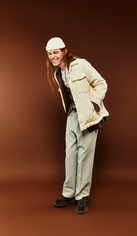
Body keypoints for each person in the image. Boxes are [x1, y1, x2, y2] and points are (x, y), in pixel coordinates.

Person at [45, 37, 109, 214]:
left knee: (85, 156)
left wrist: (93, 104)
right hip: (72, 116)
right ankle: (69, 193)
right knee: (70, 155)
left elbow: (101, 83)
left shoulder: (81, 64)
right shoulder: (57, 73)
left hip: (88, 116)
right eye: (50, 54)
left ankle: (82, 196)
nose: (52, 57)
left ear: (64, 51)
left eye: (55, 53)